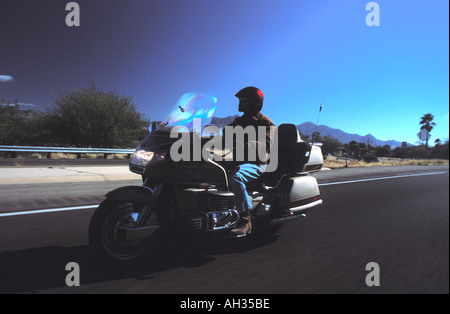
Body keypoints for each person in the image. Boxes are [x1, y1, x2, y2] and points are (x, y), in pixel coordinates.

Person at [226, 86, 275, 237]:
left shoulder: (266, 123)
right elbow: (225, 136)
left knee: (236, 177)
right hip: (236, 161)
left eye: (244, 100)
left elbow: (266, 145)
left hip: (256, 164)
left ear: (254, 103)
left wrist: (242, 144)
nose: (240, 103)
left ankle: (245, 219)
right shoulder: (238, 121)